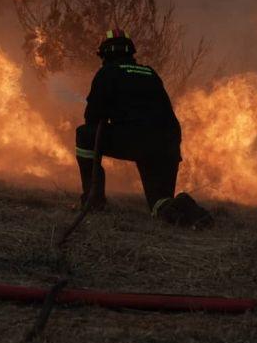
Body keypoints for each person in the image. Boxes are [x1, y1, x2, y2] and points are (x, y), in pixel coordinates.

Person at [75, 29, 213, 228]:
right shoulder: (150, 73)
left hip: (137, 140)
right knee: (159, 204)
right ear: (131, 52)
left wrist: (107, 116)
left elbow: (92, 118)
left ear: (105, 54)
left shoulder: (107, 73)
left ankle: (93, 201)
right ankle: (190, 211)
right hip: (168, 145)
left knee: (84, 135)